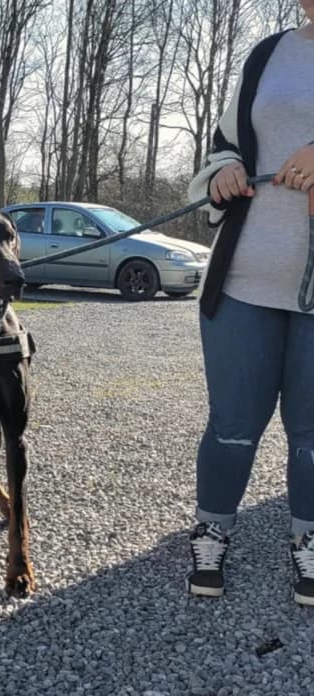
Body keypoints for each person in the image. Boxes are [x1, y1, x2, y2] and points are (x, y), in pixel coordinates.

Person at [186, 2, 314, 605]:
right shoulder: (268, 53)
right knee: (232, 426)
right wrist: (224, 169)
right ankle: (212, 531)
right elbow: (224, 141)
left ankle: (309, 541)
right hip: (245, 276)